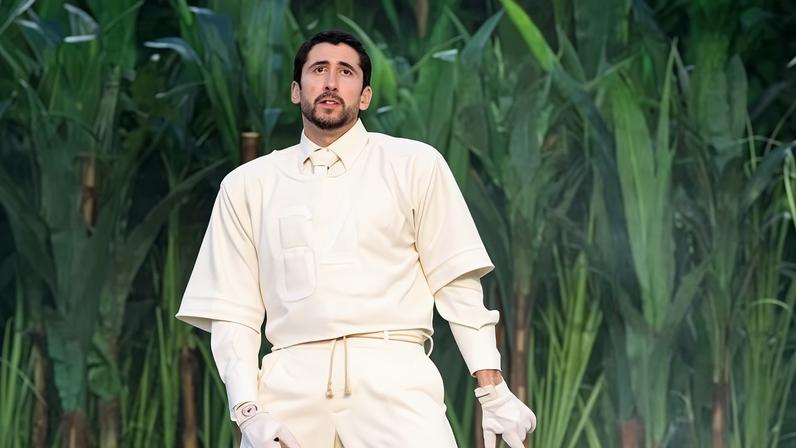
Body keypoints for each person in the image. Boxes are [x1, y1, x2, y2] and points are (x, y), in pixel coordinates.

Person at [176, 30, 536, 448]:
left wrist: (492, 389)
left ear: (364, 96)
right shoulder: (248, 185)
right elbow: (233, 314)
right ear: (296, 90)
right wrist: (247, 411)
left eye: (346, 72)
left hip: (395, 380)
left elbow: (456, 284)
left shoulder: (413, 164)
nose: (331, 82)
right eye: (318, 70)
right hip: (290, 387)